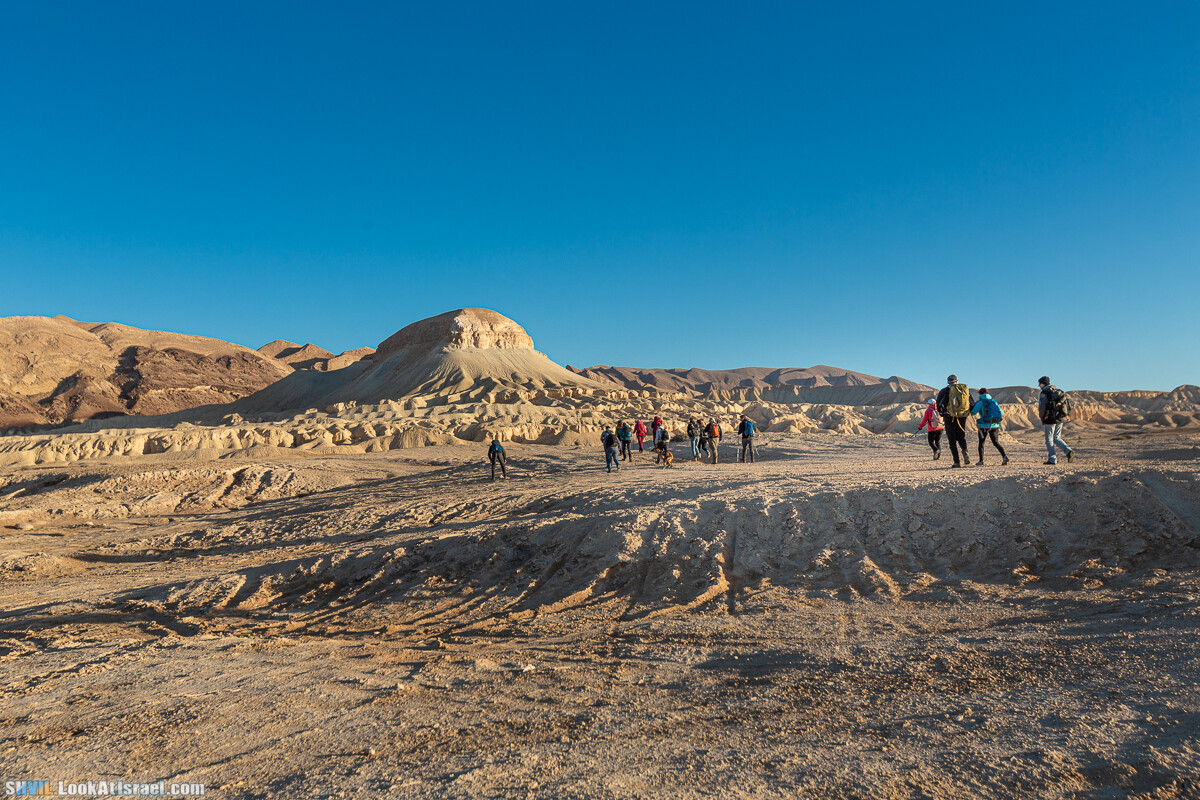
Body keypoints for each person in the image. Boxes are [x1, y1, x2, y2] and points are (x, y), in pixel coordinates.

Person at [936, 375, 975, 468]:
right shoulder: (964, 390)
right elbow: (972, 404)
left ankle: (957, 462)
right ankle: (965, 450)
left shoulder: (944, 391)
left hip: (949, 417)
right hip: (962, 416)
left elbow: (938, 405)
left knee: (952, 440)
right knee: (961, 436)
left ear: (948, 382)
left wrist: (942, 414)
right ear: (957, 381)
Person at [1038, 376, 1074, 465]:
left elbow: (1042, 408)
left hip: (1049, 418)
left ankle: (1052, 459)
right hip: (1059, 417)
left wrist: (1042, 417)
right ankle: (1068, 451)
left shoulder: (1044, 393)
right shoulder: (1057, 391)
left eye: (1040, 383)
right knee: (1057, 438)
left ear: (1044, 383)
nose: (1039, 385)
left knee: (1049, 440)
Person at [970, 389, 1009, 466]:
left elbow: (973, 412)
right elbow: (1001, 412)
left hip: (984, 426)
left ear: (980, 394)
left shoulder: (980, 402)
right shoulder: (994, 401)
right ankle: (1004, 456)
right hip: (995, 425)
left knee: (981, 443)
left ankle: (981, 461)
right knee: (996, 443)